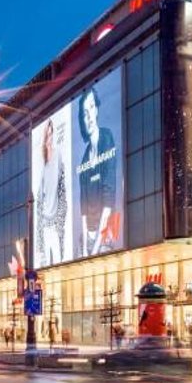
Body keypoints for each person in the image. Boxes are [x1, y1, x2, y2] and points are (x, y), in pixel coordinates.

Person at [77, 86, 118, 257]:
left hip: (105, 232)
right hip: (90, 235)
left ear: (97, 109)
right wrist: (87, 245)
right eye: (84, 113)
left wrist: (94, 248)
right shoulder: (84, 160)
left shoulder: (106, 139)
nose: (89, 117)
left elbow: (108, 199)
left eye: (92, 107)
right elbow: (84, 209)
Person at [36, 120, 68, 267]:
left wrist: (59, 222)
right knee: (45, 267)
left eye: (51, 134)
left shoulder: (58, 154)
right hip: (44, 223)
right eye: (47, 136)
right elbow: (37, 200)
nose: (50, 139)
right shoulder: (41, 162)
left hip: (54, 223)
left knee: (58, 263)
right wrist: (39, 236)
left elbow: (63, 190)